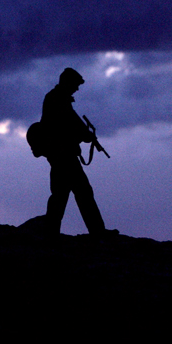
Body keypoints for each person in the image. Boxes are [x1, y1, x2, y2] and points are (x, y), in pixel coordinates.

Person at [41, 67, 115, 238]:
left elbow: (71, 124)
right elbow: (66, 126)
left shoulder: (59, 99)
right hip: (63, 155)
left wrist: (84, 135)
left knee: (64, 194)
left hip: (63, 155)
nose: (77, 89)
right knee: (79, 193)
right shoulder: (58, 100)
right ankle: (96, 231)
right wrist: (84, 135)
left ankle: (51, 232)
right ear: (67, 83)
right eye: (75, 85)